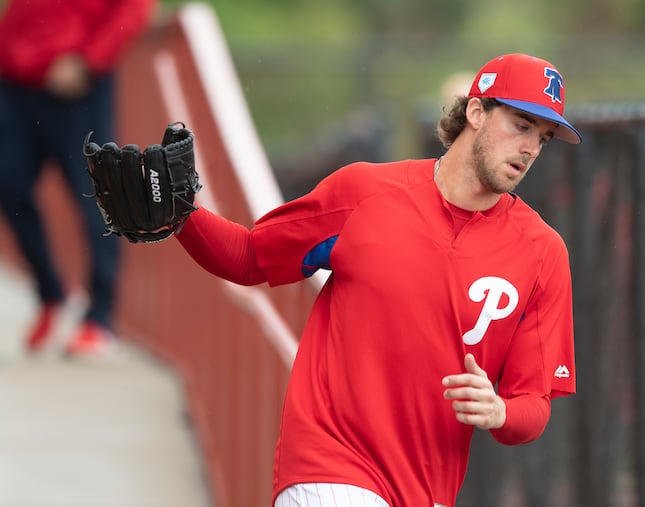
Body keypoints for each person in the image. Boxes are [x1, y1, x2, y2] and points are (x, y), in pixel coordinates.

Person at [178, 53, 580, 505]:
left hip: (426, 492)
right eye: (521, 125)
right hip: (328, 468)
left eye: (543, 138)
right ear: (475, 112)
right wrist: (179, 216)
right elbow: (250, 257)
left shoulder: (542, 252)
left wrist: (500, 410)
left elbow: (534, 406)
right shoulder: (364, 195)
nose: (530, 148)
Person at [0, 0, 156, 356]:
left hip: (77, 82)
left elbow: (136, 8)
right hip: (13, 78)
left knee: (95, 196)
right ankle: (51, 292)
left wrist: (88, 60)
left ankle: (99, 318)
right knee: (8, 184)